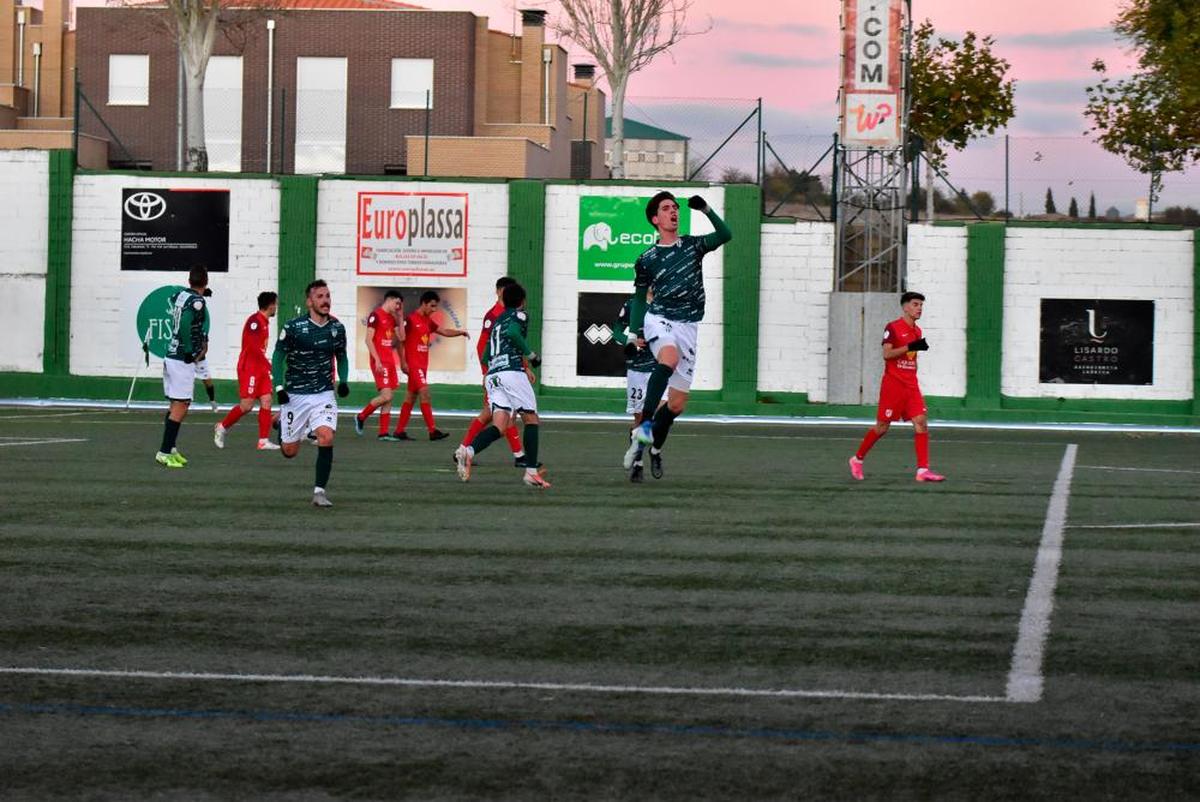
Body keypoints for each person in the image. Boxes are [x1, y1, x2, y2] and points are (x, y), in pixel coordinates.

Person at [623, 191, 733, 479]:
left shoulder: (693, 246)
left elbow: (725, 234)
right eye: (666, 208)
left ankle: (653, 449)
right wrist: (635, 334)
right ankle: (644, 426)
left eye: (675, 207)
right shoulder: (646, 258)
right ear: (655, 219)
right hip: (660, 319)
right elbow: (638, 298)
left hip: (689, 326)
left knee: (676, 405)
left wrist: (706, 210)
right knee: (667, 359)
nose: (673, 212)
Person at [454, 282, 550, 488]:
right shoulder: (520, 315)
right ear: (522, 302)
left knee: (500, 425)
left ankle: (468, 451)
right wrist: (531, 356)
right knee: (531, 418)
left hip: (494, 375)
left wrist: (489, 370)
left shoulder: (497, 320)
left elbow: (487, 351)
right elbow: (515, 334)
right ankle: (531, 473)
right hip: (511, 373)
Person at [849, 291, 946, 483]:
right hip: (893, 386)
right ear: (905, 307)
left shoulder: (917, 331)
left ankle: (922, 470)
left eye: (921, 305)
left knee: (921, 422)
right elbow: (887, 354)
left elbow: (912, 358)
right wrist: (910, 347)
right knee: (882, 427)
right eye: (916, 304)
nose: (919, 309)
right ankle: (857, 459)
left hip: (911, 386)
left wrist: (913, 366)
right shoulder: (893, 328)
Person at [272, 279, 350, 507]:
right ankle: (280, 424)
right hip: (295, 394)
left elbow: (342, 356)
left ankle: (319, 492)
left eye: (327, 296)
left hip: (323, 394)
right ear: (309, 302)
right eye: (320, 297)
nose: (326, 301)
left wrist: (343, 380)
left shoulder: (337, 328)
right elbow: (278, 357)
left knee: (326, 436)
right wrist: (279, 387)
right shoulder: (294, 327)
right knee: (289, 451)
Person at [458, 276, 526, 465]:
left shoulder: (509, 313)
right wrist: (486, 372)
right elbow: (482, 346)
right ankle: (518, 456)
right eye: (505, 291)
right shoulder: (494, 315)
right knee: (499, 413)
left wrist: (524, 366)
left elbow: (513, 345)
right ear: (498, 291)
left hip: (505, 372)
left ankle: (464, 450)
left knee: (493, 413)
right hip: (497, 374)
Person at [391, 290, 469, 441]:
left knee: (411, 397)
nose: (434, 309)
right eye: (432, 306)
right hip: (414, 365)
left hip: (422, 365)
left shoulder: (428, 321)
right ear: (424, 303)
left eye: (436, 307)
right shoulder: (411, 320)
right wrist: (403, 362)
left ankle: (399, 431)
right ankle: (433, 431)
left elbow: (444, 331)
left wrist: (460, 332)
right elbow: (400, 340)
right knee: (425, 392)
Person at [155, 266, 209, 468]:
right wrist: (188, 349)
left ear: (189, 280)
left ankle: (172, 447)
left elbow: (174, 302)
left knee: (175, 404)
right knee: (181, 405)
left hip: (170, 354)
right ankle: (164, 451)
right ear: (206, 281)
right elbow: (186, 321)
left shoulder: (180, 295)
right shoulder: (196, 301)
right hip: (181, 359)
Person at [214, 291, 280, 450]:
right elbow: (253, 347)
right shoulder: (255, 322)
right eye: (275, 304)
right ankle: (222, 427)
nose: (276, 307)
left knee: (267, 400)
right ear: (270, 305)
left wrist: (265, 366)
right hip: (249, 368)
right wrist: (270, 365)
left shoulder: (264, 322)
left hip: (260, 369)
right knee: (247, 405)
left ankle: (263, 441)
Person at [611, 295, 657, 483]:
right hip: (637, 369)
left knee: (656, 416)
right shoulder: (632, 304)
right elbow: (616, 331)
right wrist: (630, 342)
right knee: (639, 417)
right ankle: (638, 464)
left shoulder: (663, 303)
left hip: (658, 367)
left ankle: (654, 451)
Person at [354, 290, 407, 441]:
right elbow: (368, 340)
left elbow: (402, 337)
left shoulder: (392, 319)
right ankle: (361, 416)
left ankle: (383, 433)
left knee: (389, 398)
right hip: (380, 362)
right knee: (386, 395)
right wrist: (376, 359)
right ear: (389, 300)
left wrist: (401, 317)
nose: (398, 306)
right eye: (397, 303)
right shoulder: (375, 315)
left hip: (389, 362)